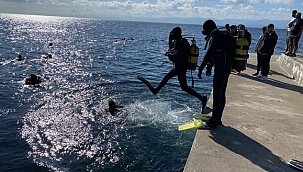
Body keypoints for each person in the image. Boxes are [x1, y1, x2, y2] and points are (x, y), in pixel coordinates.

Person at [137, 27, 207, 113]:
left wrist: (169, 47)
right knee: (183, 87)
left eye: (172, 34)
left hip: (180, 67)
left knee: (172, 80)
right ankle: (201, 98)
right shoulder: (184, 42)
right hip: (182, 67)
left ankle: (156, 90)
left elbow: (173, 55)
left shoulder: (178, 43)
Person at [198, 20, 235, 128]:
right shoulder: (223, 35)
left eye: (205, 30)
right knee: (221, 93)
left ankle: (214, 121)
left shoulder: (216, 36)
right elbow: (215, 53)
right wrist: (209, 67)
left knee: (217, 94)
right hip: (226, 67)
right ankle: (218, 118)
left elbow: (210, 53)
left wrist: (201, 68)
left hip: (221, 68)